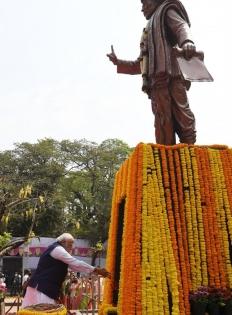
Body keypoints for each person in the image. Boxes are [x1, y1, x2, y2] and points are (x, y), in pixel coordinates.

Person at [107, 0, 197, 145]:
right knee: (162, 121)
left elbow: (181, 26)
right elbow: (141, 64)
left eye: (144, 3)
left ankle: (190, 152)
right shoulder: (148, 31)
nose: (142, 9)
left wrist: (187, 41)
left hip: (173, 76)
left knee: (183, 115)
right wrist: (119, 63)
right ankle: (166, 158)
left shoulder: (165, 10)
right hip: (156, 82)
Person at [22, 233, 110, 308]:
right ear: (63, 242)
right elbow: (75, 263)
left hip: (42, 288)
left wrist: (94, 271)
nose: (72, 247)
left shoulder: (56, 249)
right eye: (70, 244)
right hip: (42, 289)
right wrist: (96, 270)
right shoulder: (58, 249)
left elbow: (74, 266)